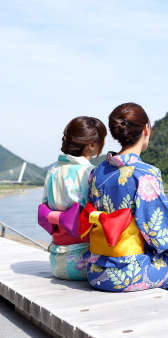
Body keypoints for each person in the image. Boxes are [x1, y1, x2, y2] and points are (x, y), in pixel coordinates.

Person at [83, 102, 168, 299]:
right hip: (124, 272)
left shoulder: (97, 173)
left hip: (96, 269)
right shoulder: (145, 173)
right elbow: (158, 229)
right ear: (146, 129)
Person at [39, 116, 107, 280]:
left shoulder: (52, 171)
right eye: (102, 140)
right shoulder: (91, 173)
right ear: (91, 144)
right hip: (86, 264)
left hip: (57, 264)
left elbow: (45, 208)